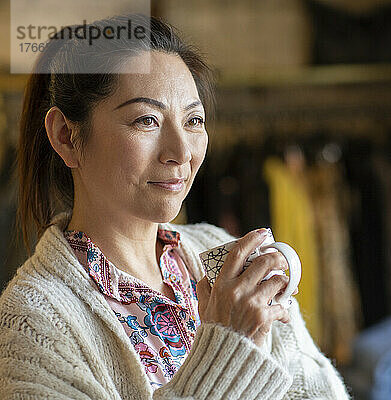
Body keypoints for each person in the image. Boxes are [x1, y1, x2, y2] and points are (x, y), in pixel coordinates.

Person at [0, 15, 349, 399]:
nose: (182, 152)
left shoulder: (217, 250)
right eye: (146, 120)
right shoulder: (34, 319)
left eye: (193, 120)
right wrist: (228, 347)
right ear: (66, 136)